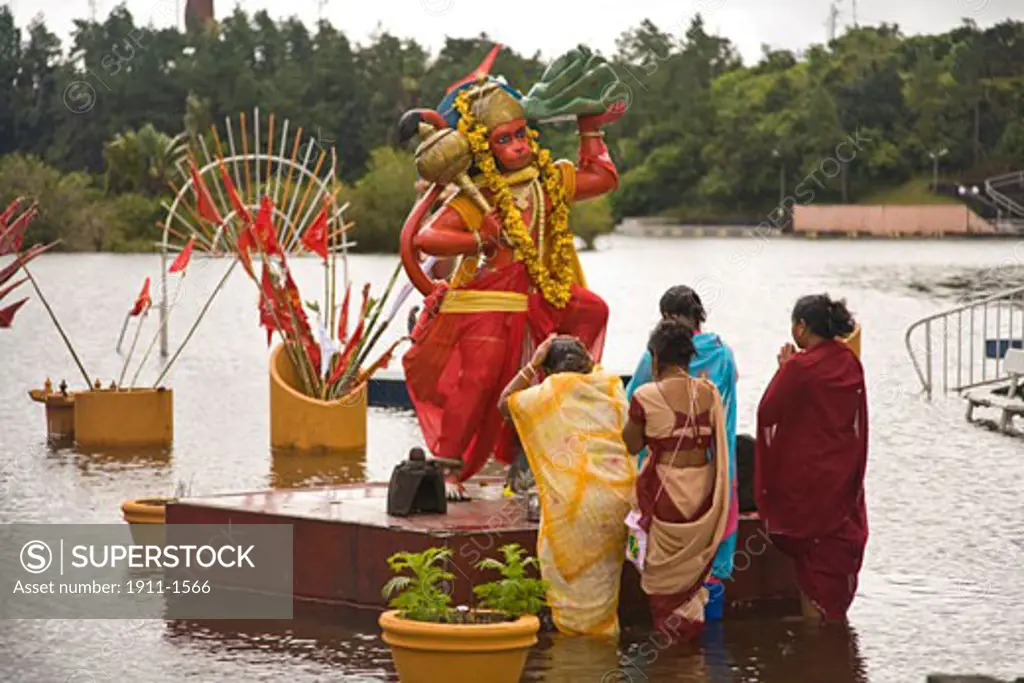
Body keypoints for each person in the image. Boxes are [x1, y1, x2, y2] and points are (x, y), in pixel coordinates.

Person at [401, 49, 624, 498]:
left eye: (522, 135)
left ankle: (537, 453)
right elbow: (426, 239)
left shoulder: (547, 179)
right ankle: (446, 469)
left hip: (540, 293)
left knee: (590, 313)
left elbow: (602, 177)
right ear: (486, 148)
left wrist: (590, 127)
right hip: (488, 301)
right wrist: (481, 240)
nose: (519, 146)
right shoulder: (476, 196)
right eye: (505, 140)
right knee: (481, 378)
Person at [500, 334, 636, 637]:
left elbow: (504, 404)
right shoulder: (611, 384)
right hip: (619, 498)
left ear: (547, 372)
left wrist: (532, 364)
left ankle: (575, 650)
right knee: (603, 585)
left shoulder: (551, 391)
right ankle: (602, 644)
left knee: (573, 595)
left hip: (578, 508)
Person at [755, 294, 868, 623]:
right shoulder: (849, 361)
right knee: (832, 563)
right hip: (843, 480)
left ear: (802, 327)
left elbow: (768, 413)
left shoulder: (801, 367)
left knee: (812, 566)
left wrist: (784, 371)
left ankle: (816, 641)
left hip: (808, 483)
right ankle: (834, 645)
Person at [621, 319, 731, 640]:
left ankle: (672, 656)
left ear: (655, 358)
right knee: (692, 578)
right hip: (704, 495)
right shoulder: (708, 393)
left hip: (666, 494)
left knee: (663, 579)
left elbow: (631, 445)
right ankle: (689, 657)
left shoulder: (645, 395)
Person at [625, 286, 739, 585]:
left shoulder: (656, 354)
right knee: (706, 552)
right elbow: (729, 402)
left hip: (665, 472)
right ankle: (708, 596)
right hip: (713, 462)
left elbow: (629, 404)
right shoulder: (723, 355)